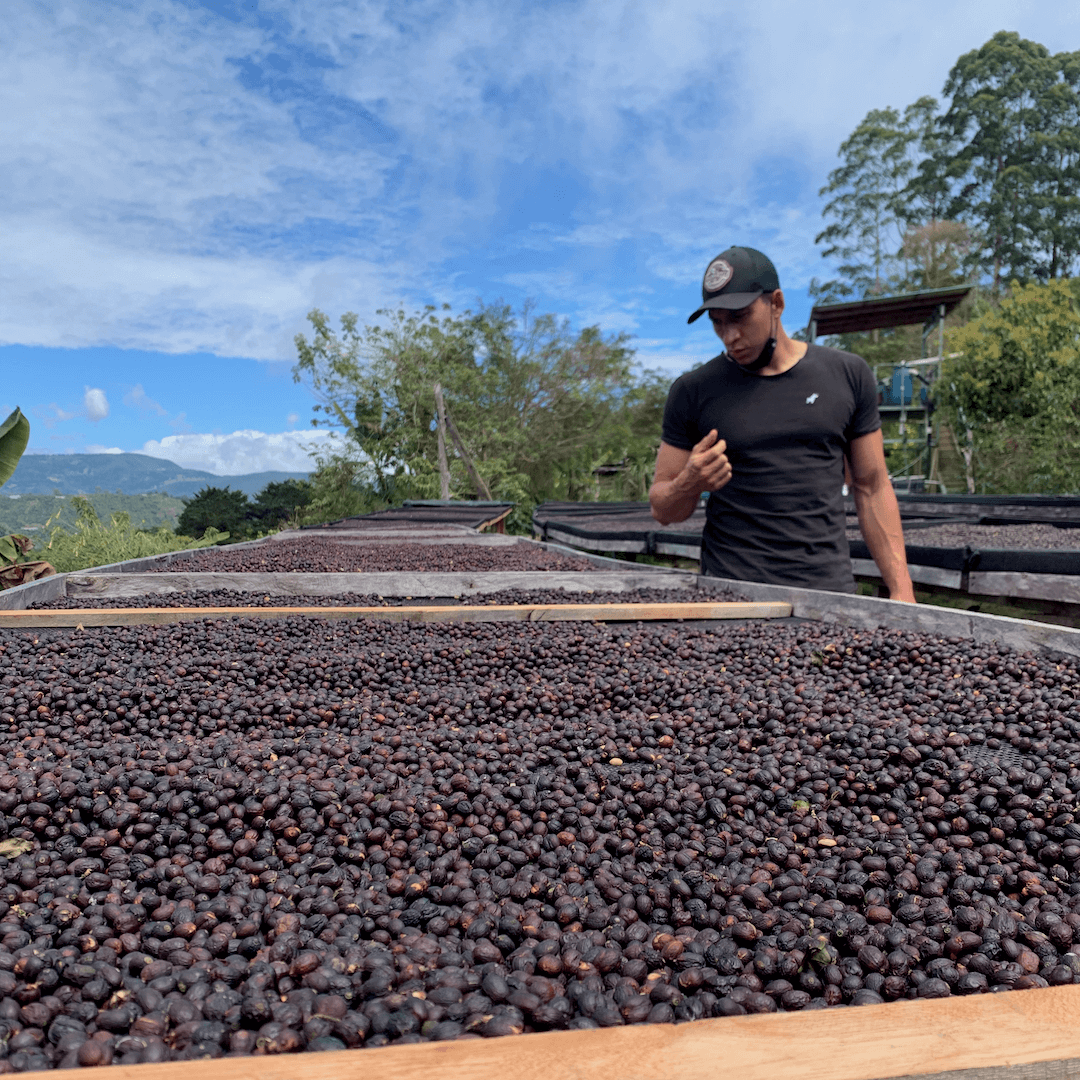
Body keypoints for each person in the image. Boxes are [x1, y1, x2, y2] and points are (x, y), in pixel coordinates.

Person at [649, 246, 914, 600]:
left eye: (739, 317)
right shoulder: (693, 391)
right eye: (718, 322)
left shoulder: (847, 375)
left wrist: (902, 591)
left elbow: (872, 486)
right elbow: (662, 510)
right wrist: (690, 482)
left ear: (776, 303)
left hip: (828, 593)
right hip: (731, 598)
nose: (729, 336)